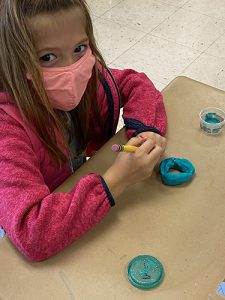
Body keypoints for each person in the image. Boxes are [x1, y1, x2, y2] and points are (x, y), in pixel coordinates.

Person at [0, 0, 167, 262]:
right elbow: (31, 234)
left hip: (75, 193)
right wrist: (116, 180)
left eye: (80, 48)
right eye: (47, 57)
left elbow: (136, 84)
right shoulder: (7, 129)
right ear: (15, 60)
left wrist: (144, 130)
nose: (71, 68)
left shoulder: (90, 77)